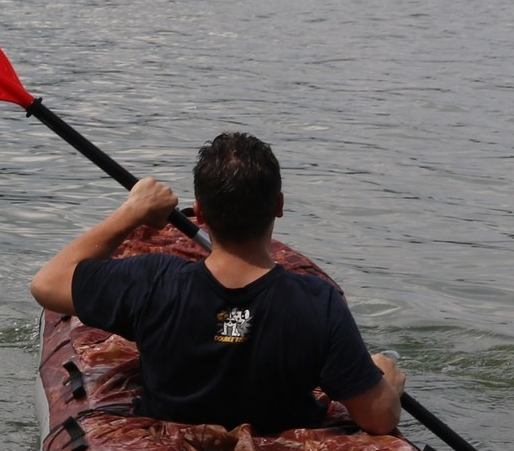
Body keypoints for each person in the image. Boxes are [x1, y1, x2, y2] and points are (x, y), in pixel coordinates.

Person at [30, 131, 406, 435]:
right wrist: (384, 378)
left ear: (201, 213)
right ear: (279, 204)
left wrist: (132, 212)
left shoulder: (152, 281)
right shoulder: (318, 303)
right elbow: (378, 419)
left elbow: (47, 284)